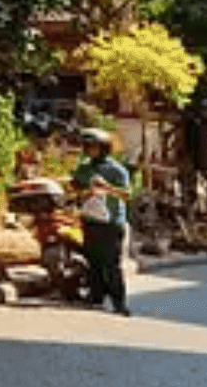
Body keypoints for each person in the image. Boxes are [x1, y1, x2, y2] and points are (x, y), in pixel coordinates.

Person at [71, 127, 132, 315]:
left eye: (93, 146)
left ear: (104, 148)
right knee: (94, 261)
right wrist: (84, 192)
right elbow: (74, 188)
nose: (89, 150)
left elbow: (127, 194)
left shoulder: (116, 170)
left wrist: (107, 188)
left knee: (112, 264)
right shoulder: (84, 168)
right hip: (91, 219)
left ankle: (119, 302)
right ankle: (95, 296)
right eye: (87, 146)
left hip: (112, 222)